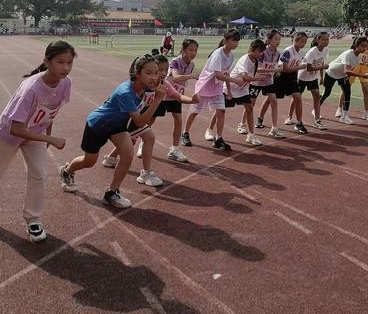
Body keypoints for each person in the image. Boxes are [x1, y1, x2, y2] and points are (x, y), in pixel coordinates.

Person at [59, 54, 166, 208]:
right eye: (149, 73)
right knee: (89, 161)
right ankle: (67, 171)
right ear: (137, 74)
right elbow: (140, 121)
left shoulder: (144, 89)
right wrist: (157, 100)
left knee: (128, 153)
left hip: (117, 126)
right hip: (98, 125)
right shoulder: (126, 93)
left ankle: (112, 193)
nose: (154, 77)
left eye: (156, 73)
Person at [0, 41, 75, 242]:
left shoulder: (65, 83)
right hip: (8, 134)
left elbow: (51, 113)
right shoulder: (31, 88)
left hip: (36, 133)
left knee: (39, 175)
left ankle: (33, 219)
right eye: (60, 62)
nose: (66, 68)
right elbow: (16, 128)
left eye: (69, 62)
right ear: (46, 61)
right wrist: (50, 138)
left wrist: (46, 136)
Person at [181, 29, 245, 151]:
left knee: (221, 111)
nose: (236, 43)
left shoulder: (231, 55)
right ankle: (185, 133)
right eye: (234, 40)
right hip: (205, 87)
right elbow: (218, 75)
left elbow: (226, 73)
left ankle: (219, 139)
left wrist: (229, 90)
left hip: (217, 88)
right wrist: (235, 81)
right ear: (226, 40)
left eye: (237, 41)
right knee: (195, 112)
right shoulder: (217, 54)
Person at [211, 39, 269, 146]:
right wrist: (258, 79)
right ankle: (210, 130)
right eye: (260, 51)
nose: (261, 54)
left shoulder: (255, 61)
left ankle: (251, 135)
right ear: (252, 49)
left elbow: (248, 77)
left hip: (242, 89)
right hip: (231, 88)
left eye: (262, 52)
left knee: (249, 108)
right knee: (220, 111)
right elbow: (245, 77)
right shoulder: (244, 60)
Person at [318, 37, 368, 125]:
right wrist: (362, 75)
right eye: (362, 46)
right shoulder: (348, 54)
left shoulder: (360, 56)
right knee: (327, 93)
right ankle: (316, 109)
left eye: (366, 46)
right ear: (356, 45)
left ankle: (344, 116)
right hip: (331, 72)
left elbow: (348, 71)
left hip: (342, 75)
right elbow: (347, 70)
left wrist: (347, 79)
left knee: (347, 92)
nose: (364, 48)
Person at [247, 29, 285, 139]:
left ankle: (274, 128)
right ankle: (242, 124)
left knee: (274, 101)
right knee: (251, 104)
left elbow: (275, 66)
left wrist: (277, 70)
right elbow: (257, 69)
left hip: (269, 81)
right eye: (275, 39)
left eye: (279, 39)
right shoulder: (263, 52)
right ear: (269, 40)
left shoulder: (278, 53)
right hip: (257, 80)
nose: (278, 41)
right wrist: (273, 70)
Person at [337, 29, 368, 122]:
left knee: (366, 90)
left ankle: (366, 113)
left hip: (364, 69)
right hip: (355, 67)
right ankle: (339, 108)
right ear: (366, 36)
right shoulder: (362, 46)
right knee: (346, 88)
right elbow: (352, 54)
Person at [291, 32, 330, 129]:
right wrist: (323, 67)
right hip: (303, 77)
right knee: (297, 97)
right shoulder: (312, 52)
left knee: (317, 97)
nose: (326, 41)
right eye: (324, 39)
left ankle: (317, 120)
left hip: (313, 77)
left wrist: (322, 77)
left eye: (327, 39)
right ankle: (289, 116)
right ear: (318, 40)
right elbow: (308, 68)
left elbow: (321, 62)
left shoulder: (326, 50)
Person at [280, 32, 309, 134]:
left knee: (298, 97)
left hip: (292, 77)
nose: (304, 43)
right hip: (281, 77)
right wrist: (299, 68)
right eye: (302, 41)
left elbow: (295, 67)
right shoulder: (287, 51)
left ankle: (299, 123)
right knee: (271, 99)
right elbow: (284, 69)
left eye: (305, 42)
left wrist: (296, 78)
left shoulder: (301, 53)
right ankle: (260, 117)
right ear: (296, 40)